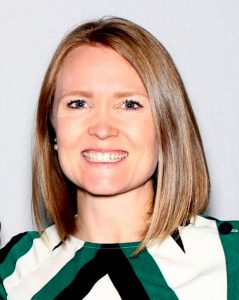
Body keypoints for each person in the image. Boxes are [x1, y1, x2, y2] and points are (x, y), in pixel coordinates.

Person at [0, 16, 238, 300]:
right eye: (78, 103)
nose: (102, 129)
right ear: (51, 128)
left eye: (130, 104)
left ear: (167, 128)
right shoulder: (13, 270)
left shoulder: (230, 262)